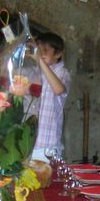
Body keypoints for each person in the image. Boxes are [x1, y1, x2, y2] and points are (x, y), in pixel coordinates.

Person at [31, 31, 70, 162]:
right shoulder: (35, 71)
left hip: (47, 146)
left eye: (45, 50)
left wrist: (40, 62)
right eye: (39, 50)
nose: (41, 54)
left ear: (58, 54)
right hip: (29, 144)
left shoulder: (62, 73)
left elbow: (59, 89)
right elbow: (1, 73)